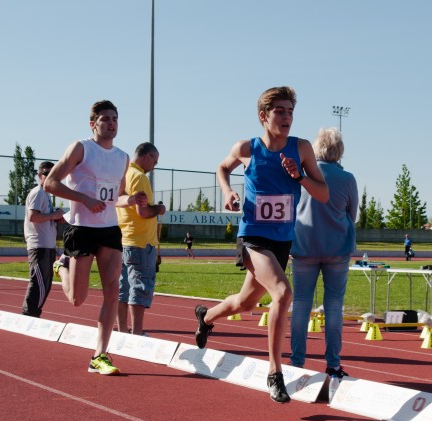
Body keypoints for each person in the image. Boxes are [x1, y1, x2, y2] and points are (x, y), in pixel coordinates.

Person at [193, 86, 329, 403]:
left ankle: (206, 316)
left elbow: (322, 195)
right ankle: (274, 372)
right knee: (283, 292)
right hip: (253, 235)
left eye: (290, 112)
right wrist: (227, 191)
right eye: (279, 111)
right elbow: (222, 167)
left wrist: (300, 178)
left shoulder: (302, 148)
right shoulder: (248, 147)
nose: (286, 118)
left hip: (282, 240)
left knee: (246, 303)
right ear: (263, 116)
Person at [44, 100, 145, 376]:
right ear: (93, 124)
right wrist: (84, 199)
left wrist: (131, 199)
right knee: (77, 298)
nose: (111, 123)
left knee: (113, 291)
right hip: (81, 228)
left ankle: (99, 355)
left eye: (115, 118)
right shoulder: (81, 148)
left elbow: (117, 198)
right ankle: (62, 268)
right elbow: (50, 183)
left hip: (109, 229)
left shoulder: (123, 157)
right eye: (105, 119)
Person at [289, 127, 357, 380]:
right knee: (333, 305)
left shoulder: (302, 177)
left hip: (304, 245)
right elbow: (352, 214)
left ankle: (296, 362)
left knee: (301, 303)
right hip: (337, 248)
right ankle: (333, 364)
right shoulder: (348, 178)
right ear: (339, 151)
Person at [116, 143, 166, 336]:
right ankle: (137, 333)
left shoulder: (124, 175)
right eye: (155, 161)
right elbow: (143, 212)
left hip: (123, 239)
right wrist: (159, 209)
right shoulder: (140, 178)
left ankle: (121, 330)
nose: (154, 165)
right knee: (140, 287)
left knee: (122, 288)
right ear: (147, 156)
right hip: (141, 241)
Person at [21, 162, 65, 317]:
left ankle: (34, 312)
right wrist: (54, 215)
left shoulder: (46, 194)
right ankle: (29, 314)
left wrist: (56, 217)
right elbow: (33, 216)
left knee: (45, 284)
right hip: (38, 245)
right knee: (38, 282)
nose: (49, 177)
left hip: (47, 245)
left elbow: (43, 217)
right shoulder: (38, 192)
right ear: (39, 176)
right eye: (46, 174)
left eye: (52, 174)